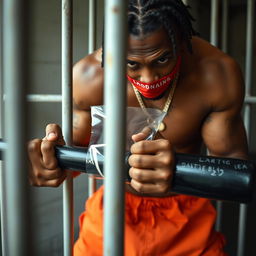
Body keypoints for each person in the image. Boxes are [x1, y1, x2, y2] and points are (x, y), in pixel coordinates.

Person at [28, 0, 248, 255]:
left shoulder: (216, 73)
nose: (148, 78)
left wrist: (176, 172)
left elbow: (234, 175)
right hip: (113, 209)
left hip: (189, 219)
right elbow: (77, 155)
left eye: (162, 59)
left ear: (182, 39)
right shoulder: (89, 77)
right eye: (132, 63)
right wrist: (50, 162)